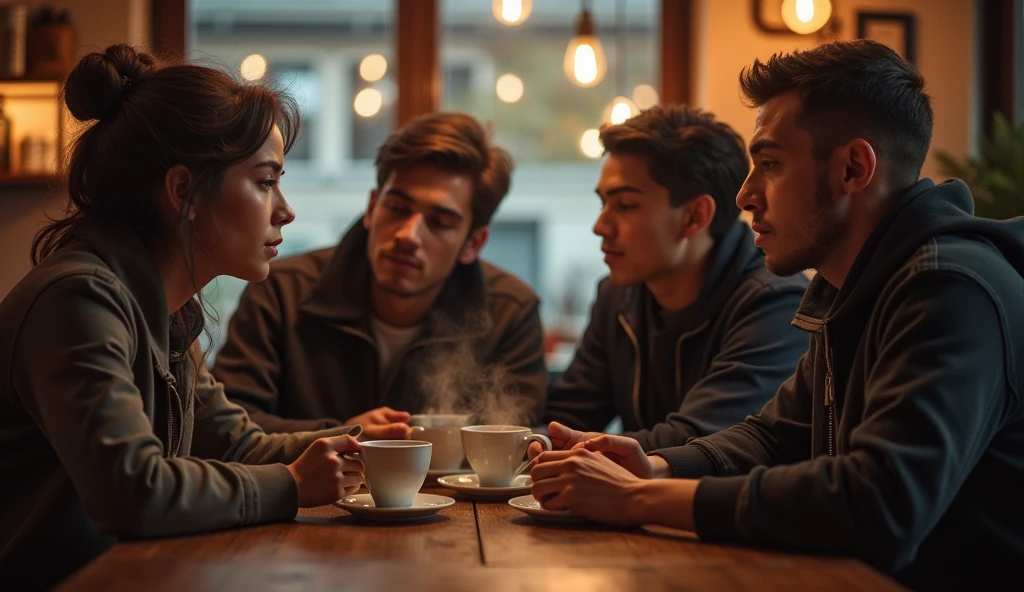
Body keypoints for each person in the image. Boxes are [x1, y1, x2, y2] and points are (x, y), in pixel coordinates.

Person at [528, 40, 1024, 590]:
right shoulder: (854, 287)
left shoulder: (947, 287)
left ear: (854, 168)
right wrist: (657, 466)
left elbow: (881, 503)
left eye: (769, 164)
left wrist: (638, 498)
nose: (745, 195)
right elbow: (774, 437)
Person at [0, 45, 365, 590]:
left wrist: (369, 445)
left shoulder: (165, 309)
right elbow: (133, 491)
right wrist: (291, 483)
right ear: (183, 191)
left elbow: (236, 446)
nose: (286, 209)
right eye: (266, 181)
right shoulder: (79, 300)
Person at [211, 112, 547, 437]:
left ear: (473, 243)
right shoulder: (282, 291)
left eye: (440, 222)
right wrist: (340, 435)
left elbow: (513, 439)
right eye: (397, 208)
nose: (408, 236)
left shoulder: (508, 312)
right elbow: (226, 426)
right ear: (372, 207)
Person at [542, 105, 808, 450]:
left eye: (625, 206)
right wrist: (531, 444)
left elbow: (696, 440)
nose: (600, 226)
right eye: (603, 204)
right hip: (643, 501)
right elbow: (567, 418)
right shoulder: (618, 296)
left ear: (695, 216)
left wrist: (567, 448)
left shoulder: (774, 303)